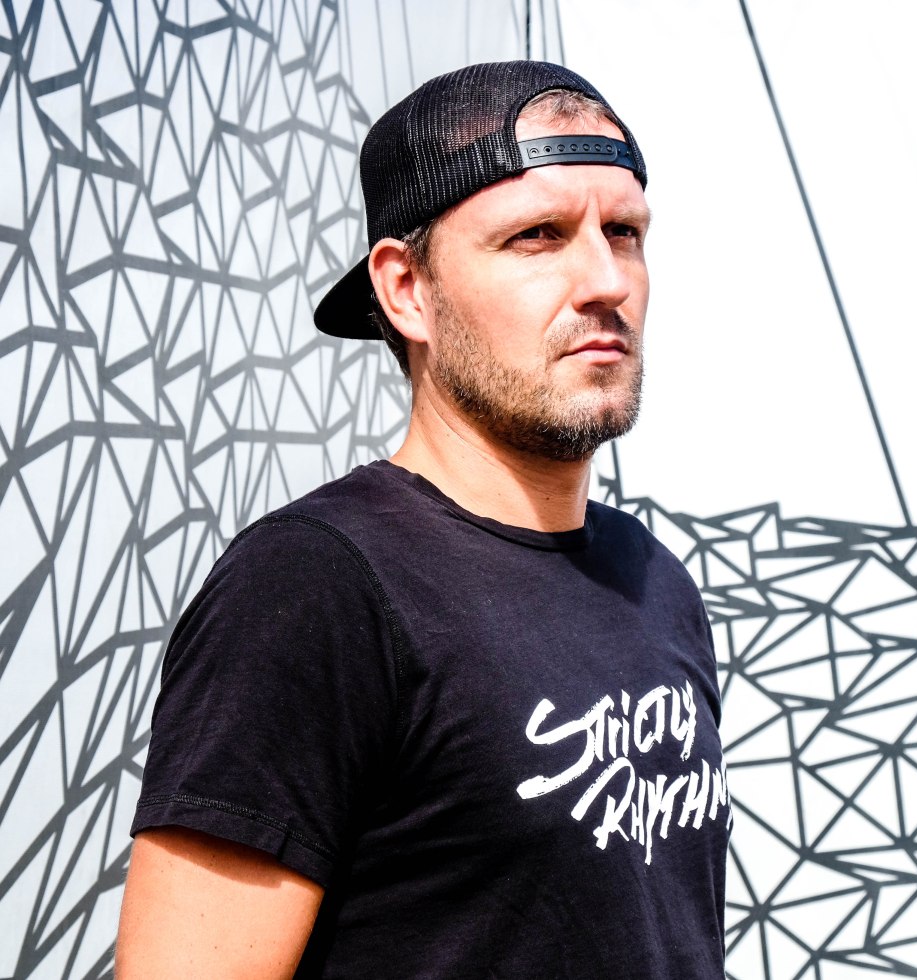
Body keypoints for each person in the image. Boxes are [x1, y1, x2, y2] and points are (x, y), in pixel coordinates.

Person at [116, 60, 731, 978]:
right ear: (406, 289)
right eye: (537, 236)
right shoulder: (316, 586)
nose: (606, 279)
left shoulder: (654, 582)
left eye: (625, 232)